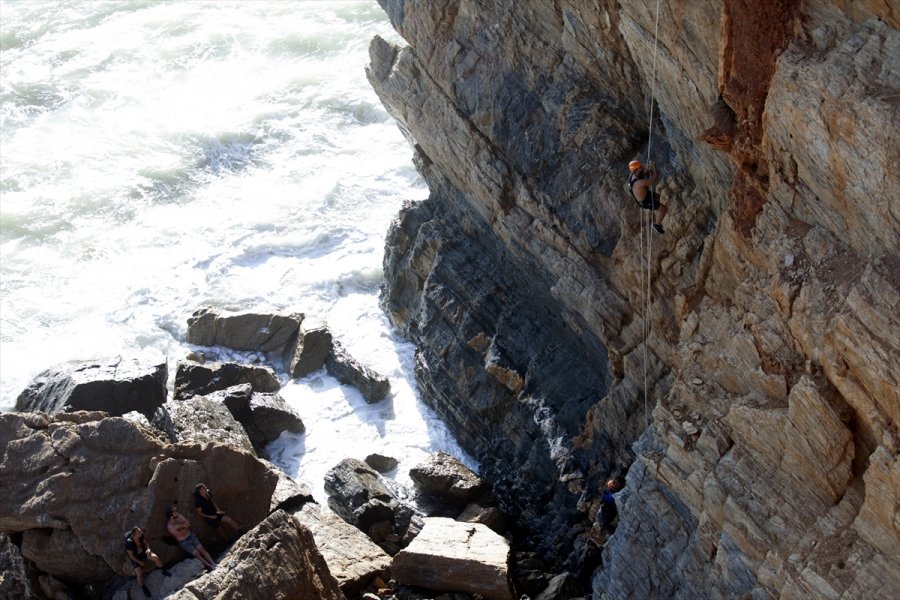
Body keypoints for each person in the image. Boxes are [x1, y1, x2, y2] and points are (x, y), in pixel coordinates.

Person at [166, 505, 217, 571]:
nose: (176, 512)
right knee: (197, 554)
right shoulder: (169, 526)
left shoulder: (180, 516)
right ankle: (210, 566)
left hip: (190, 536)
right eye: (174, 511)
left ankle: (213, 563)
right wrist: (183, 525)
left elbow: (188, 523)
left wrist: (180, 527)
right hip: (184, 542)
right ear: (171, 515)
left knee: (202, 549)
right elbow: (179, 534)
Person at [125, 526, 170, 598]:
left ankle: (163, 570)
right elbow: (131, 556)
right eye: (139, 532)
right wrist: (140, 562)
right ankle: (143, 587)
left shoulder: (141, 536)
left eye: (140, 531)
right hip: (136, 557)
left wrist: (148, 549)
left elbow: (146, 542)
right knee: (139, 572)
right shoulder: (129, 543)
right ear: (134, 534)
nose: (141, 533)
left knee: (155, 557)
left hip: (143, 552)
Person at [628, 159, 667, 234]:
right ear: (635, 171)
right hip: (645, 201)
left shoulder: (633, 174)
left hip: (646, 195)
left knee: (657, 197)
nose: (641, 168)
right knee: (664, 209)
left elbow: (643, 168)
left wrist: (648, 165)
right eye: (639, 168)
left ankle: (657, 210)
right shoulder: (639, 183)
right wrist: (654, 167)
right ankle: (656, 225)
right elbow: (654, 178)